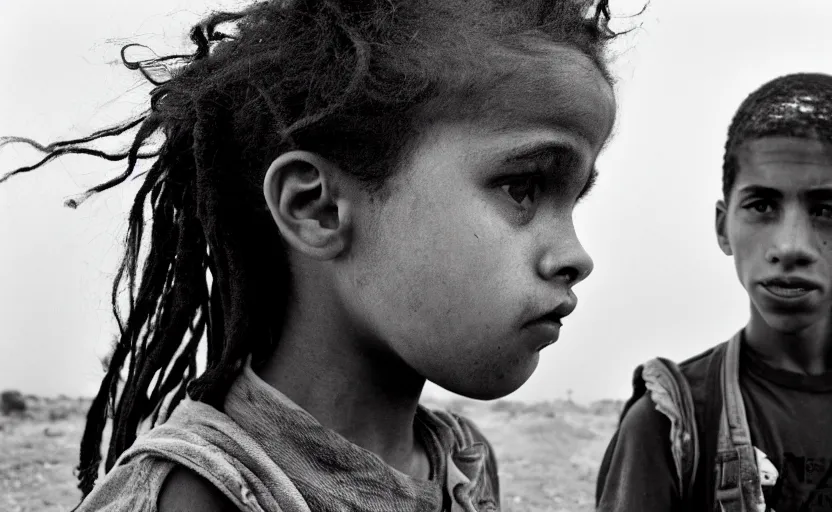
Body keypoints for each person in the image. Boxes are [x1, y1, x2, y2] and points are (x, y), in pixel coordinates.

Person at [2, 0, 620, 510]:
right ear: (317, 210)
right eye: (524, 187)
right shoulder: (205, 497)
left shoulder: (459, 461)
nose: (575, 255)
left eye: (574, 201)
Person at [595, 73, 832, 512]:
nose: (790, 247)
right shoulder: (670, 424)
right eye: (762, 206)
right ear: (723, 227)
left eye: (826, 210)